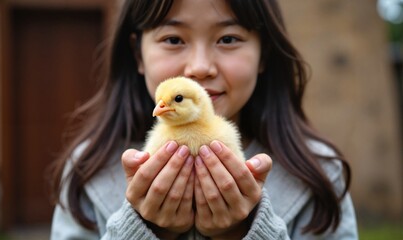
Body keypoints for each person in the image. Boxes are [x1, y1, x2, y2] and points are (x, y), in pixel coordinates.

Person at [50, 0, 358, 239]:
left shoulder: (320, 175)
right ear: (138, 54)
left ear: (263, 54)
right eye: (173, 39)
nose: (199, 67)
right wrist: (142, 231)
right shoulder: (86, 171)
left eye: (228, 39)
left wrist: (245, 232)